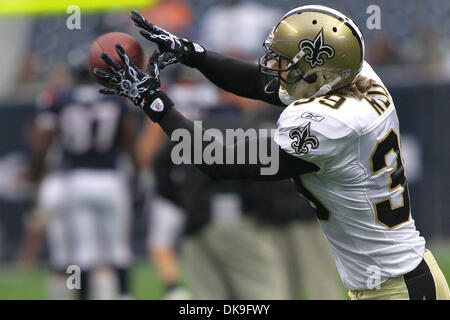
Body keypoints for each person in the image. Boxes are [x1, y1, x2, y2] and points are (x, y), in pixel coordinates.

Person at [93, 5, 450, 300]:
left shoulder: (329, 123)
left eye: (286, 63)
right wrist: (191, 53)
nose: (275, 68)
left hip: (400, 289)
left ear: (316, 73)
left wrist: (151, 100)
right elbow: (257, 82)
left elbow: (214, 159)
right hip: (393, 282)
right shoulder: (357, 77)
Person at [22, 67, 138, 300]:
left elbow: (45, 140)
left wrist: (34, 177)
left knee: (82, 252)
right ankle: (124, 296)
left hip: (75, 180)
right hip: (111, 177)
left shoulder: (61, 99)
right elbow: (128, 139)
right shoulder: (115, 99)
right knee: (118, 249)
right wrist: (136, 176)